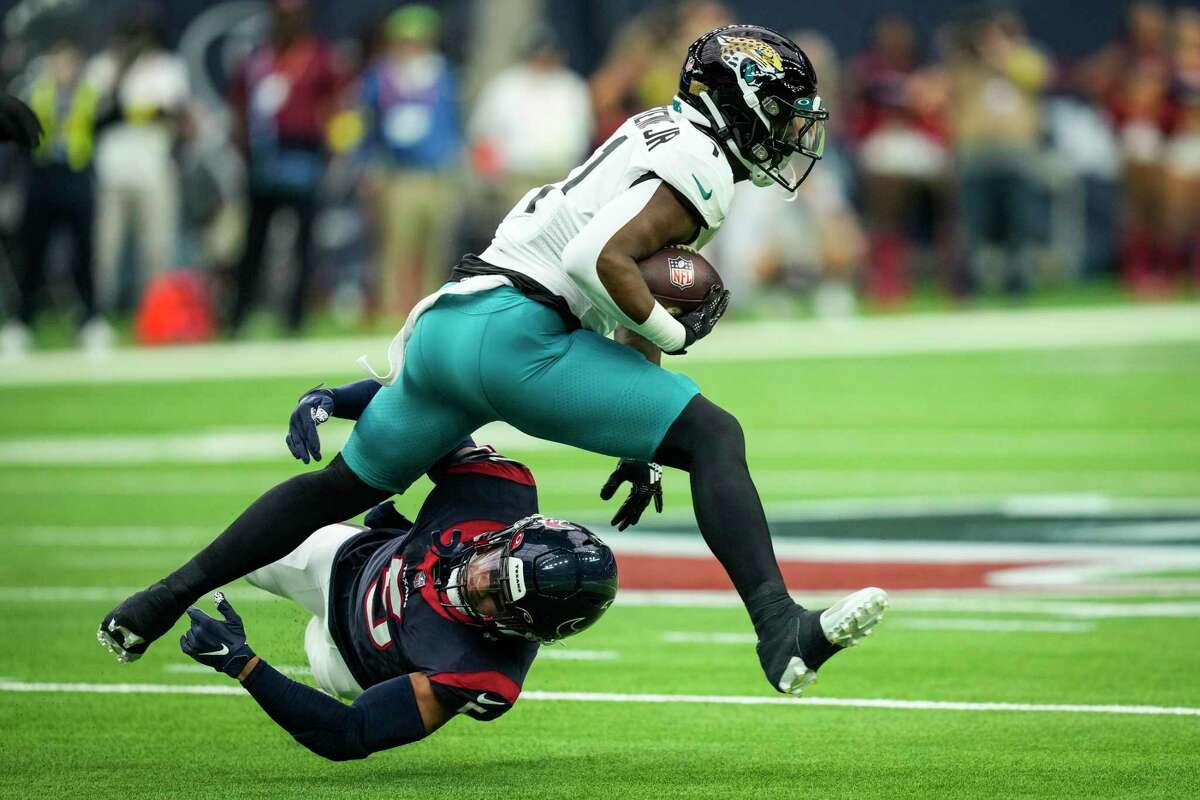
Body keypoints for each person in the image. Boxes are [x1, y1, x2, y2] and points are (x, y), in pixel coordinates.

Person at [99, 25, 888, 698]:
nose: (789, 133)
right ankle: (779, 626)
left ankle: (162, 598)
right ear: (738, 101)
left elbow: (615, 278)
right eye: (781, 114)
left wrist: (641, 424)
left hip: (454, 325)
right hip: (520, 335)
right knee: (715, 438)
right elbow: (598, 261)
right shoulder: (704, 165)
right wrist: (676, 339)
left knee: (337, 488)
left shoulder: (659, 130)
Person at [157, 441, 618, 761]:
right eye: (492, 564)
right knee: (235, 554)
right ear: (513, 533)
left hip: (348, 659)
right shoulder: (499, 491)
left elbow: (347, 734)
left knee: (318, 652)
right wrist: (334, 398)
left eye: (496, 598)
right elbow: (432, 403)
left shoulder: (480, 671)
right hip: (347, 561)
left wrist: (242, 663)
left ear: (522, 629)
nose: (475, 582)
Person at [228, 0, 345, 335]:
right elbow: (238, 106)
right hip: (265, 160)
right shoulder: (257, 59)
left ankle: (295, 320)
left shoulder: (319, 58)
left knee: (302, 246)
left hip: (303, 157)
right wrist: (242, 148)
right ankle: (238, 316)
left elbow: (334, 107)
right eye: (281, 16)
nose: (287, 23)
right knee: (254, 242)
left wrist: (331, 150)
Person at [1, 40, 110, 358]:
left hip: (76, 180)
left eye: (69, 63)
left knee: (83, 256)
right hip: (41, 180)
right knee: (32, 256)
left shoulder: (90, 94)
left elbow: (102, 125)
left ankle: (90, 321)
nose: (64, 70)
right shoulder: (35, 92)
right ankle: (21, 323)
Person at [358, 5, 462, 317]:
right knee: (396, 251)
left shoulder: (442, 75)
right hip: (400, 175)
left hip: (437, 176)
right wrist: (370, 166)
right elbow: (369, 128)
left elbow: (452, 123)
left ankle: (430, 313)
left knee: (436, 249)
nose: (412, 48)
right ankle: (391, 314)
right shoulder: (380, 77)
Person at [90, 4, 190, 315]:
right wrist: (122, 77)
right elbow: (95, 115)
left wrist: (135, 113)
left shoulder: (167, 68)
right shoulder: (103, 67)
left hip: (153, 170)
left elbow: (175, 114)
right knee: (105, 252)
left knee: (157, 252)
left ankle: (153, 317)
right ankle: (98, 316)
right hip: (111, 172)